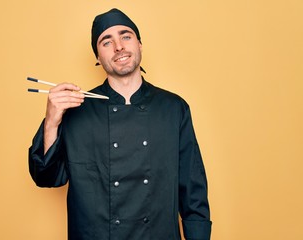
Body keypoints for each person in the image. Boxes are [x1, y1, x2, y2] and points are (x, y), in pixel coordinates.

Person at [29, 8, 212, 240]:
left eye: (126, 36)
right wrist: (52, 121)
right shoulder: (75, 109)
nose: (118, 46)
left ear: (140, 45)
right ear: (97, 57)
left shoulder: (174, 108)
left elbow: (193, 189)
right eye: (106, 41)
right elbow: (47, 178)